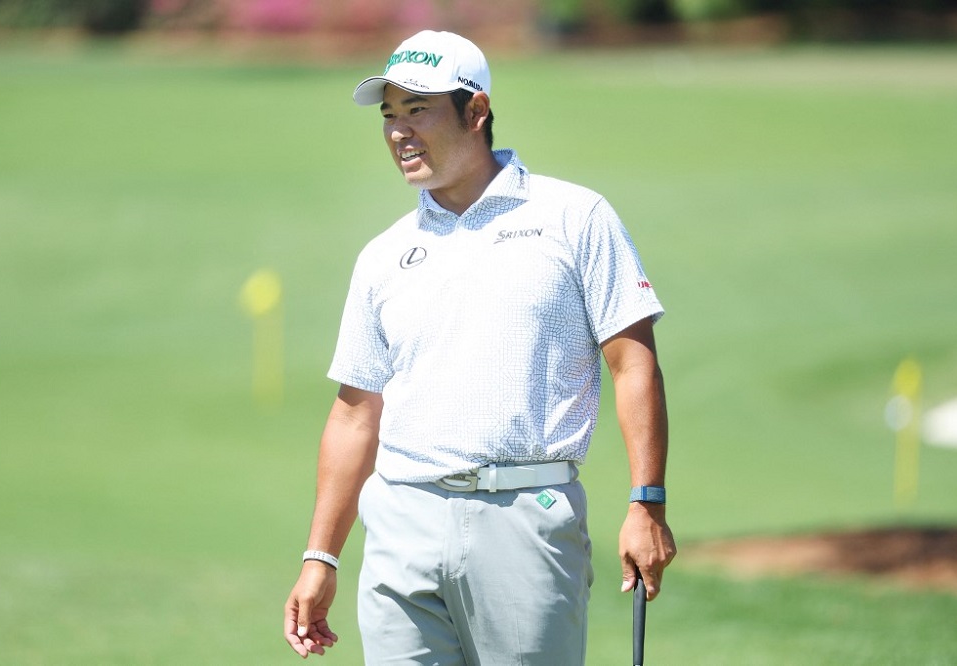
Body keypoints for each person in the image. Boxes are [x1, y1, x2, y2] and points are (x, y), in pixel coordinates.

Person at [283, 29, 676, 664]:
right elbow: (355, 412)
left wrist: (646, 501)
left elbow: (633, 363)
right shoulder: (383, 255)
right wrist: (320, 557)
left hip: (525, 516)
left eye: (418, 111)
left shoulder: (574, 217)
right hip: (401, 522)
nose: (399, 132)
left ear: (477, 112)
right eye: (389, 115)